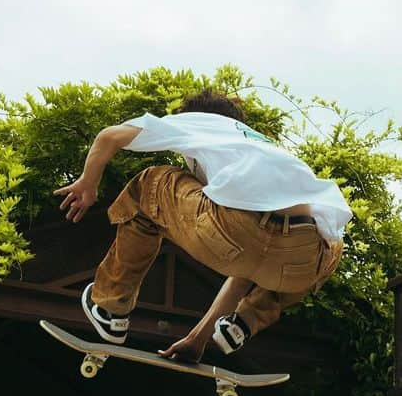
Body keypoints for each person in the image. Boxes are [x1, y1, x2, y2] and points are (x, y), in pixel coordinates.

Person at [54, 89, 351, 361]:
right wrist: (199, 338)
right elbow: (249, 266)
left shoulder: (200, 122)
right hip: (300, 260)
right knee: (331, 242)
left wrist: (88, 184)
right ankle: (242, 324)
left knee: (149, 185)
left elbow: (110, 136)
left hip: (233, 230)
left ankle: (110, 307)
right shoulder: (264, 148)